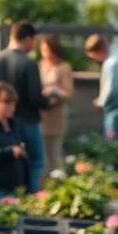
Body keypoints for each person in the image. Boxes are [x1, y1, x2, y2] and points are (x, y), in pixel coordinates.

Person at [0, 21, 51, 192]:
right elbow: (35, 97)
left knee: (4, 161)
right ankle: (30, 201)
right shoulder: (28, 64)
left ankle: (6, 199)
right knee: (36, 162)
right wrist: (48, 101)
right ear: (29, 38)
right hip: (27, 121)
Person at [84, 33, 118, 139]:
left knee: (114, 149)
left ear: (100, 49)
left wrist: (100, 102)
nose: (96, 61)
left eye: (94, 57)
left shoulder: (112, 63)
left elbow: (112, 90)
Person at [38, 34, 74, 181]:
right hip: (41, 114)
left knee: (55, 153)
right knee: (42, 153)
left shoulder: (63, 67)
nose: (45, 53)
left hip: (55, 115)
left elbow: (68, 93)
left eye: (47, 49)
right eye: (43, 49)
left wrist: (54, 91)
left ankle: (58, 183)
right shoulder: (40, 65)